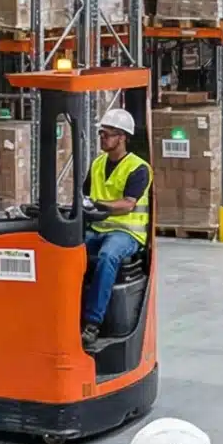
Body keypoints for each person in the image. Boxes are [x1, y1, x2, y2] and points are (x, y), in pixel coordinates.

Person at [82, 106, 151, 352]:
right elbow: (85, 196)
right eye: (101, 133)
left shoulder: (138, 168)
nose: (102, 137)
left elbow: (127, 205)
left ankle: (92, 322)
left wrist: (97, 205)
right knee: (66, 249)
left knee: (107, 256)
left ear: (122, 137)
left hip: (127, 233)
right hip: (97, 228)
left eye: (107, 133)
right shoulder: (98, 163)